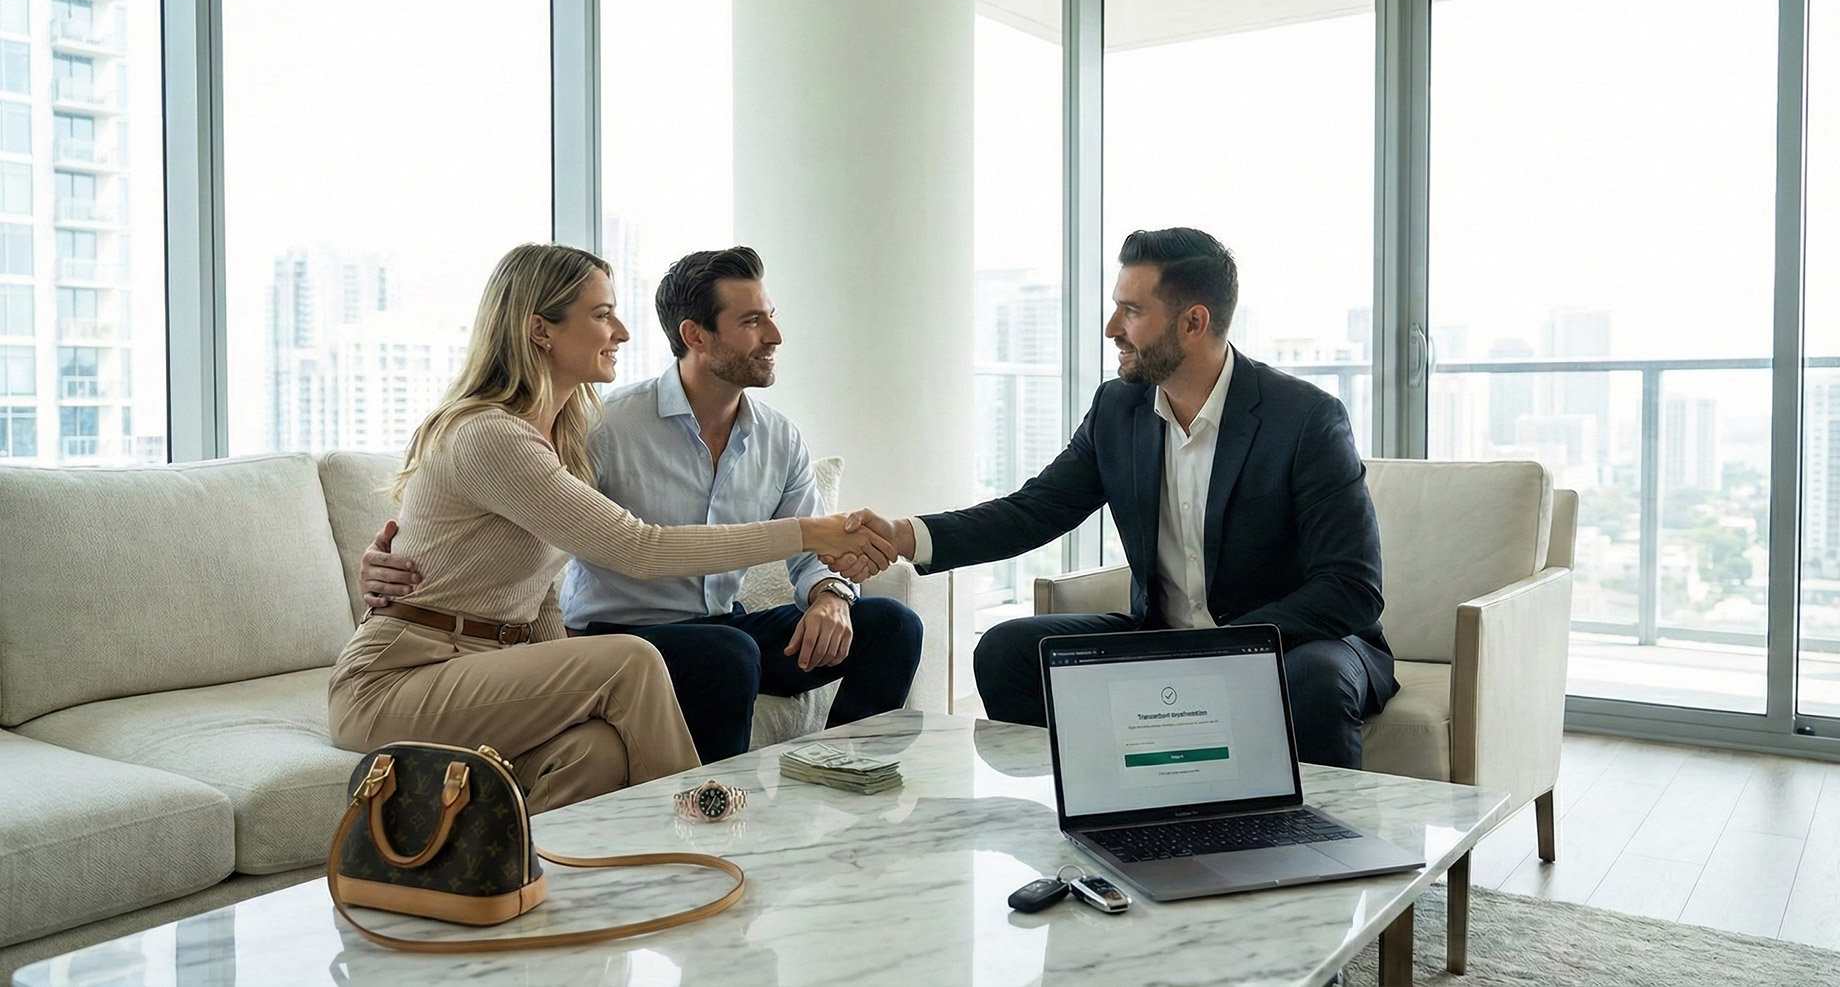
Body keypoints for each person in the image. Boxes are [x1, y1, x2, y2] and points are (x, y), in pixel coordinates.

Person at [328, 242, 896, 813]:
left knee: (596, 751)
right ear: (540, 330)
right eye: (602, 315)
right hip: (397, 677)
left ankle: (561, 886)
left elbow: (534, 592)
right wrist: (808, 531)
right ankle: (706, 833)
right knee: (634, 659)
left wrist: (828, 588)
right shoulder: (490, 435)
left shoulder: (564, 439)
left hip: (487, 665)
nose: (622, 331)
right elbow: (636, 549)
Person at [848, 227, 1396, 769]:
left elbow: (1350, 588)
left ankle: (1322, 846)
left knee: (1316, 681)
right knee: (1006, 651)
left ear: (1193, 322)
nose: (1113, 328)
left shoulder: (1304, 419)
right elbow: (1033, 510)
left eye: (1131, 311)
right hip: (1162, 637)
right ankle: (1095, 814)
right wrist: (904, 536)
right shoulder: (1119, 410)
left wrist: (1224, 647)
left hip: (1295, 645)